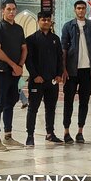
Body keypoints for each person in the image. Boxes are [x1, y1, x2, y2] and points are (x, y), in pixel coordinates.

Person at [60, 0, 91, 144]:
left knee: (84, 102)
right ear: (74, 10)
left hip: (87, 71)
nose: (81, 11)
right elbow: (63, 49)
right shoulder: (68, 26)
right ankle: (66, 131)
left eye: (83, 8)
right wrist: (63, 69)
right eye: (78, 8)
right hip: (71, 70)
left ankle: (80, 131)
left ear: (86, 10)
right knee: (68, 102)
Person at [0, 0, 27, 151]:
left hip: (15, 72)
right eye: (8, 9)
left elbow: (24, 48)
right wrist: (13, 65)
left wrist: (20, 66)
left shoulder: (18, 29)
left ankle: (8, 136)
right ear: (3, 11)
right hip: (1, 70)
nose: (11, 12)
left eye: (13, 9)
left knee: (10, 103)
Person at [25, 11, 64, 146]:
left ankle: (50, 133)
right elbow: (28, 60)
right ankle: (30, 135)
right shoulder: (31, 39)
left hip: (52, 81)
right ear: (38, 21)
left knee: (51, 108)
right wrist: (35, 75)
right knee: (33, 108)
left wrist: (59, 74)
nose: (45, 22)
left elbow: (60, 58)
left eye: (48, 20)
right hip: (37, 81)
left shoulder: (55, 39)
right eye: (43, 20)